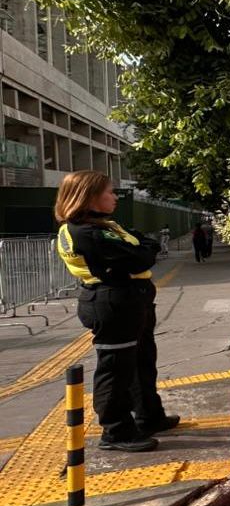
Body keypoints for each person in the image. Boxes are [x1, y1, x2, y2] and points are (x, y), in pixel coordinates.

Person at [55, 171, 179, 452]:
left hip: (131, 300)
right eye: (109, 192)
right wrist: (145, 248)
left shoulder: (102, 226)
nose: (114, 197)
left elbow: (144, 244)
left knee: (141, 361)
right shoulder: (88, 232)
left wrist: (145, 247)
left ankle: (148, 415)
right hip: (112, 302)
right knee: (116, 369)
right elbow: (140, 257)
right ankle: (116, 431)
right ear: (89, 196)